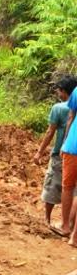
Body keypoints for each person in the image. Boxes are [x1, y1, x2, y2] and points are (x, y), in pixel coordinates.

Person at [34, 76, 77, 226]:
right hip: (73, 152)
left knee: (53, 185)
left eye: (59, 91)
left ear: (64, 92)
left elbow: (50, 132)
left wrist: (40, 151)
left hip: (62, 152)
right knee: (74, 191)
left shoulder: (58, 108)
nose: (58, 94)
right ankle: (70, 224)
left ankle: (47, 219)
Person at [55, 82, 77, 244]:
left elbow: (71, 117)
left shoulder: (76, 91)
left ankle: (65, 226)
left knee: (68, 187)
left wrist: (64, 143)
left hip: (73, 146)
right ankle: (75, 236)